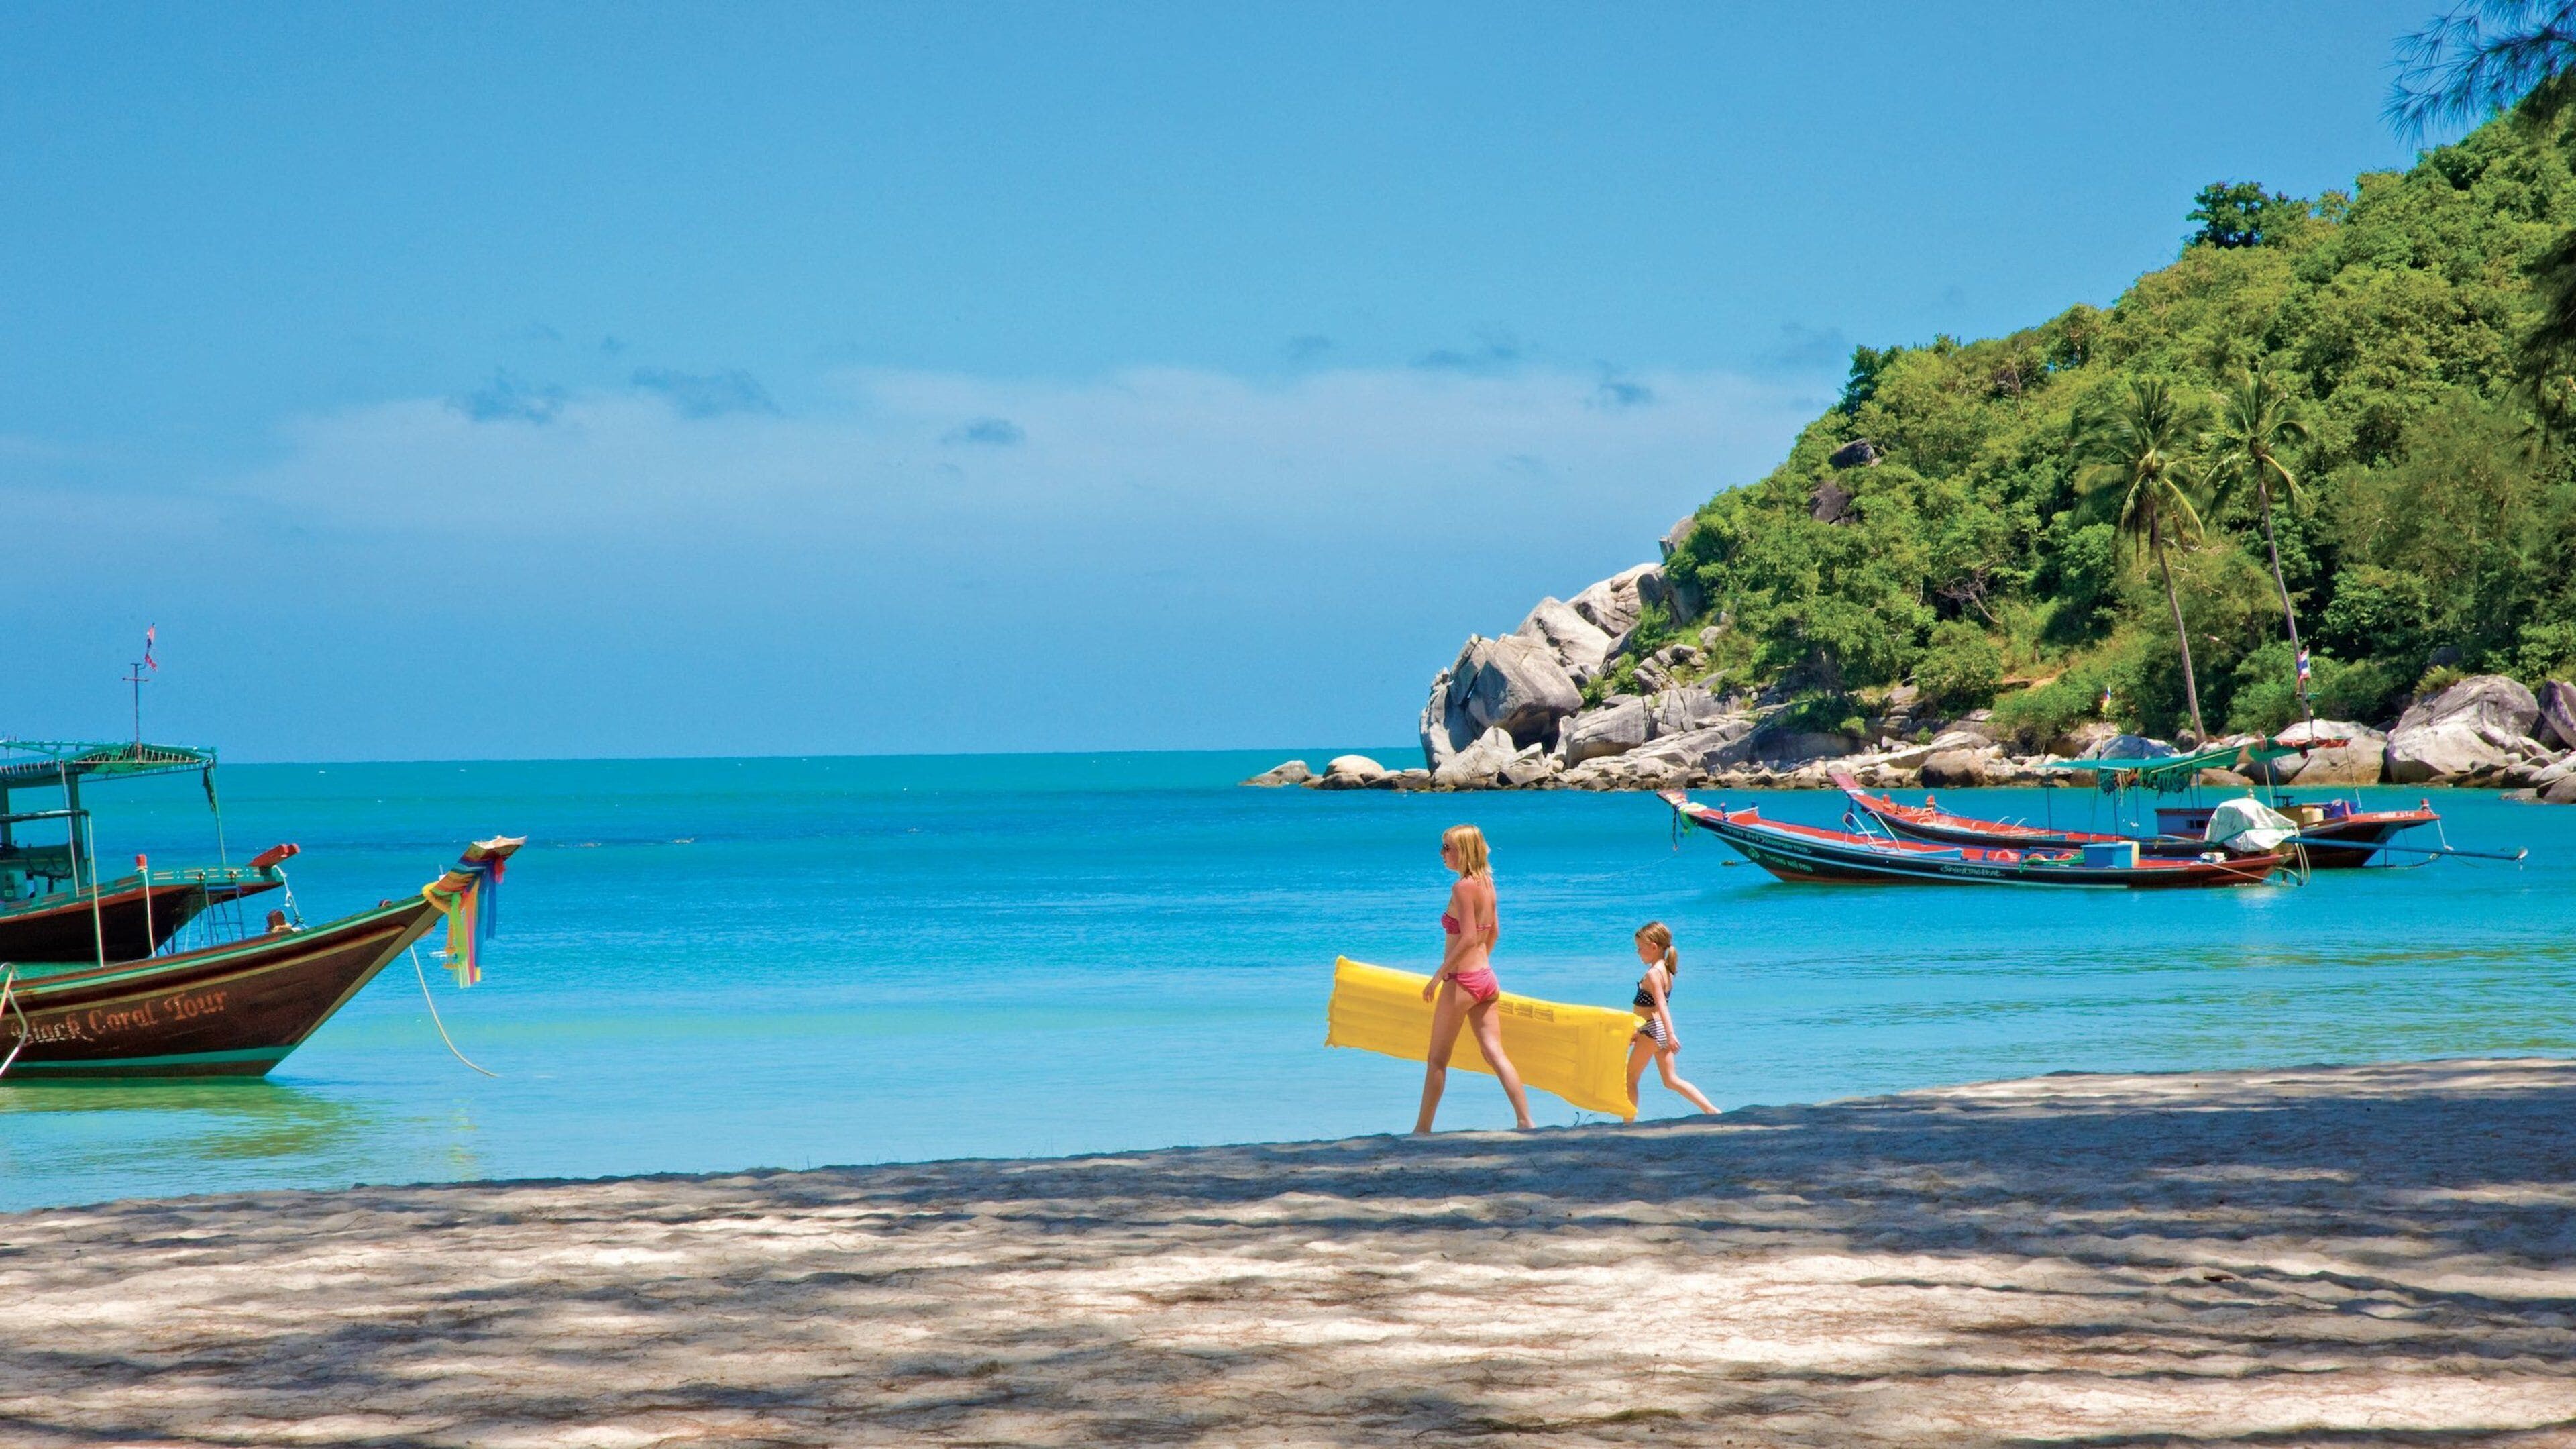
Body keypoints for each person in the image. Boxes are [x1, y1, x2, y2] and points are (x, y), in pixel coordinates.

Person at [1414, 824, 1535, 1134]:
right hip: (1486, 979)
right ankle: (1526, 1121)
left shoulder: (1463, 888)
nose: (1441, 854)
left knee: (1437, 1060)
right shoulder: (1487, 883)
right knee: (1495, 1053)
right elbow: (1493, 933)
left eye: (1447, 848)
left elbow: (1468, 938)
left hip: (1462, 981)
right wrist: (1481, 966)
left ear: (1464, 852)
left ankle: (1422, 1130)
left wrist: (1439, 976)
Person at [1626, 922, 1718, 1116]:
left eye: (1640, 948)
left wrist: (1671, 1034)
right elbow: (1651, 1008)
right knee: (1671, 1080)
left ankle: (1628, 1123)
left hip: (1652, 1031)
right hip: (1654, 1029)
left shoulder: (1653, 974)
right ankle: (1711, 1110)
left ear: (1653, 947)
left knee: (1630, 1077)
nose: (1638, 952)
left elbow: (1661, 1006)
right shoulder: (1666, 971)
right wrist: (1638, 1031)